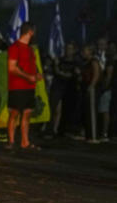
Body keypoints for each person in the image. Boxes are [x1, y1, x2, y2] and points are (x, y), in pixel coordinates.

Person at [6, 22, 42, 150]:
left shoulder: (30, 49)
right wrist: (28, 76)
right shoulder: (15, 47)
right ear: (30, 32)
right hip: (17, 86)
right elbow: (12, 68)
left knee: (27, 113)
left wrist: (37, 74)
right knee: (14, 113)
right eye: (34, 31)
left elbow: (33, 65)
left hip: (29, 87)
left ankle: (25, 141)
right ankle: (10, 141)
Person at [49, 41, 79, 138]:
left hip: (68, 90)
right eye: (66, 48)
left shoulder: (76, 62)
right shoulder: (60, 60)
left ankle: (60, 130)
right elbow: (54, 72)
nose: (67, 51)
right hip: (57, 88)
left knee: (64, 111)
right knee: (54, 109)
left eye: (70, 49)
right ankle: (51, 130)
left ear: (74, 50)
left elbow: (71, 75)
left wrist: (59, 71)